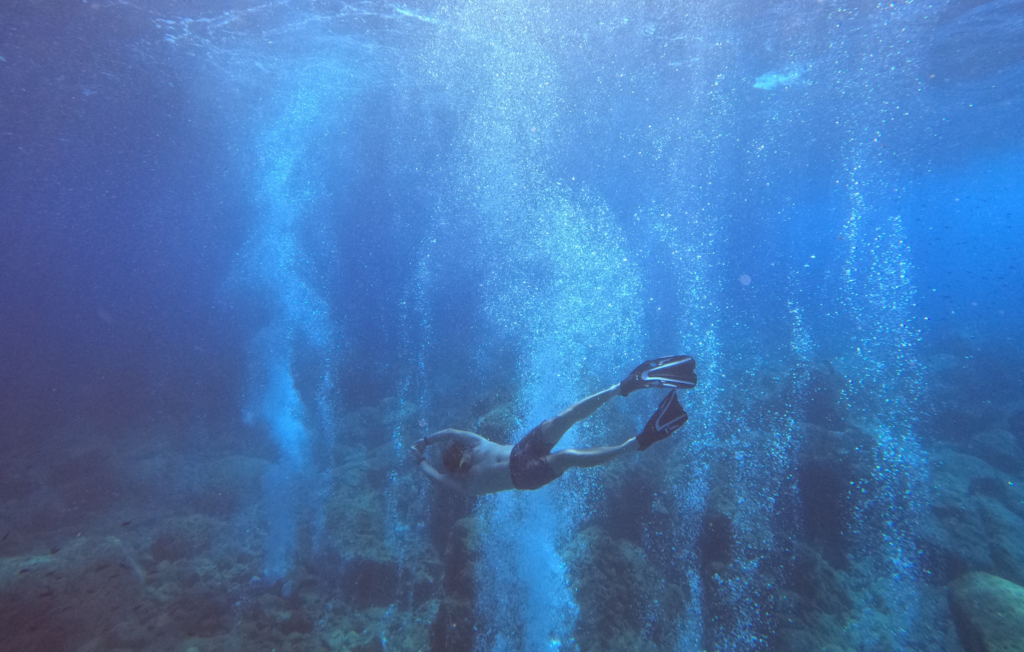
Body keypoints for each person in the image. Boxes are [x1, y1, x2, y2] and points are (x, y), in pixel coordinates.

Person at [411, 356, 696, 494]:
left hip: (521, 448)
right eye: (460, 467)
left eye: (463, 459)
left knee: (564, 417)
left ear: (464, 450)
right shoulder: (462, 484)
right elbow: (433, 476)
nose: (466, 464)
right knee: (569, 457)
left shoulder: (474, 443)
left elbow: (449, 432)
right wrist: (420, 460)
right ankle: (636, 443)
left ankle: (621, 387)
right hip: (524, 476)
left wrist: (425, 441)